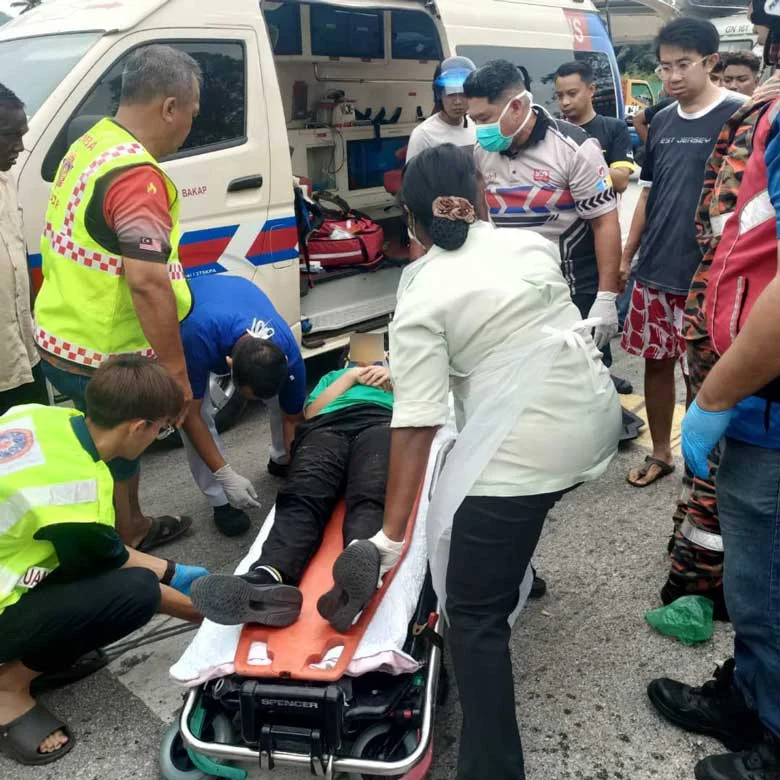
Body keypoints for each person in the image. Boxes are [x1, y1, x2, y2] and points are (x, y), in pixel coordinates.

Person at [329, 144, 621, 780]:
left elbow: (417, 421)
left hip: (528, 448)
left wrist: (390, 537)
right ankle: (519, 571)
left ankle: (493, 768)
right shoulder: (529, 245)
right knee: (509, 511)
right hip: (594, 420)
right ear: (485, 197)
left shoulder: (422, 289)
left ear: (410, 223)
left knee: (473, 617)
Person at [647, 7, 780, 776]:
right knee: (755, 572)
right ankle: (754, 694)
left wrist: (719, 393)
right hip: (756, 394)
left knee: (766, 577)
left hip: (766, 397)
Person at [0, 356, 207, 767]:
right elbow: (110, 569)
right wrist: (205, 611)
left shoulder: (36, 415)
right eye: (161, 428)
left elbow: (98, 551)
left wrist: (172, 570)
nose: (158, 436)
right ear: (138, 427)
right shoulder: (78, 492)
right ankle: (8, 688)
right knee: (135, 595)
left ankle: (38, 656)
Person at [33, 44, 200, 550]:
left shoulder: (92, 142)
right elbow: (147, 281)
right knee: (124, 443)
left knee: (102, 440)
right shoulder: (136, 179)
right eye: (191, 113)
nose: (190, 125)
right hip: (103, 351)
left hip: (60, 335)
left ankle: (119, 525)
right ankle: (125, 533)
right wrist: (175, 375)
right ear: (170, 107)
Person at [662, 35, 780, 615]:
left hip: (754, 369)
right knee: (722, 490)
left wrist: (715, 394)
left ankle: (705, 584)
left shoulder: (761, 117)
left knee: (743, 503)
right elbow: (718, 231)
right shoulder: (751, 117)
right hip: (725, 339)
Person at [190, 333, 394, 633]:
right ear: (347, 357)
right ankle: (268, 578)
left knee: (370, 494)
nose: (368, 357)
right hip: (326, 428)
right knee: (301, 495)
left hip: (381, 423)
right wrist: (350, 376)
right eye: (357, 353)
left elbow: (422, 408)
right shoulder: (333, 377)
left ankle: (354, 577)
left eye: (377, 352)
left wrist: (394, 374)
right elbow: (310, 413)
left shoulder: (398, 374)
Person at [620, 18, 745, 487]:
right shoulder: (662, 120)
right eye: (664, 66)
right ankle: (660, 452)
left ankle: (702, 463)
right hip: (655, 268)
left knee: (703, 373)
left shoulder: (740, 115)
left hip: (711, 275)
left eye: (682, 65)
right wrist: (626, 257)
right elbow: (647, 195)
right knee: (656, 363)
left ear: (711, 63)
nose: (671, 77)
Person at [464, 60, 622, 366]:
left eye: (485, 118)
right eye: (474, 120)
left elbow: (605, 223)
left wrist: (606, 297)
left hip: (572, 289)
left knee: (582, 376)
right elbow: (485, 215)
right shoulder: (483, 152)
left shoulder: (574, 147)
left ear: (517, 107)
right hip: (514, 289)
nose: (480, 130)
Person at [179, 274, 306, 536]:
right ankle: (220, 499)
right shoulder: (194, 337)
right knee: (195, 411)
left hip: (238, 293)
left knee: (284, 403)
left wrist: (299, 474)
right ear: (229, 365)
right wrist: (224, 474)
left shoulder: (289, 355)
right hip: (194, 309)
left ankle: (280, 459)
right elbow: (190, 417)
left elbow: (293, 417)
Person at [0, 84, 49, 416]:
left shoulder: (7, 180)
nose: (20, 146)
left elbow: (18, 249)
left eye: (23, 134)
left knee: (36, 446)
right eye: (10, 136)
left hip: (22, 353)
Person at [554, 60, 636, 194]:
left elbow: (621, 182)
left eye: (572, 93)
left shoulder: (614, 128)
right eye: (560, 96)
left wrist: (579, 162)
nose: (565, 102)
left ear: (591, 90)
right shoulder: (553, 131)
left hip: (600, 213)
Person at [406, 56, 477, 162]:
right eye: (450, 94)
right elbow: (413, 177)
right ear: (439, 95)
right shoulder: (423, 134)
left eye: (463, 94)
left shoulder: (476, 127)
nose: (457, 101)